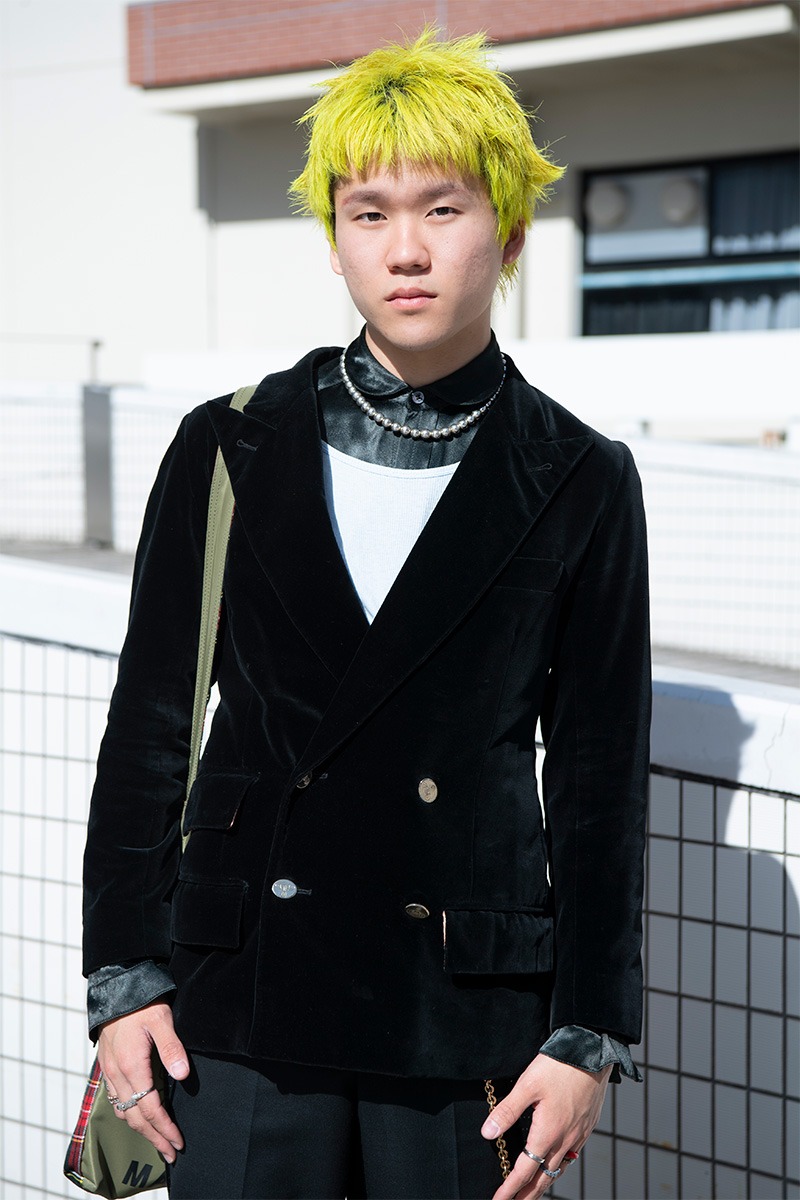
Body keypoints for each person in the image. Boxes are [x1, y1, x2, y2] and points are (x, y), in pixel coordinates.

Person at [82, 29, 650, 1200]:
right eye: (367, 213)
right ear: (334, 241)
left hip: (461, 1010)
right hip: (239, 996)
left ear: (507, 229)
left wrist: (586, 1032)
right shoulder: (229, 442)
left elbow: (599, 774)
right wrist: (123, 979)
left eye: (442, 209)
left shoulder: (579, 475)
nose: (405, 249)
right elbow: (148, 725)